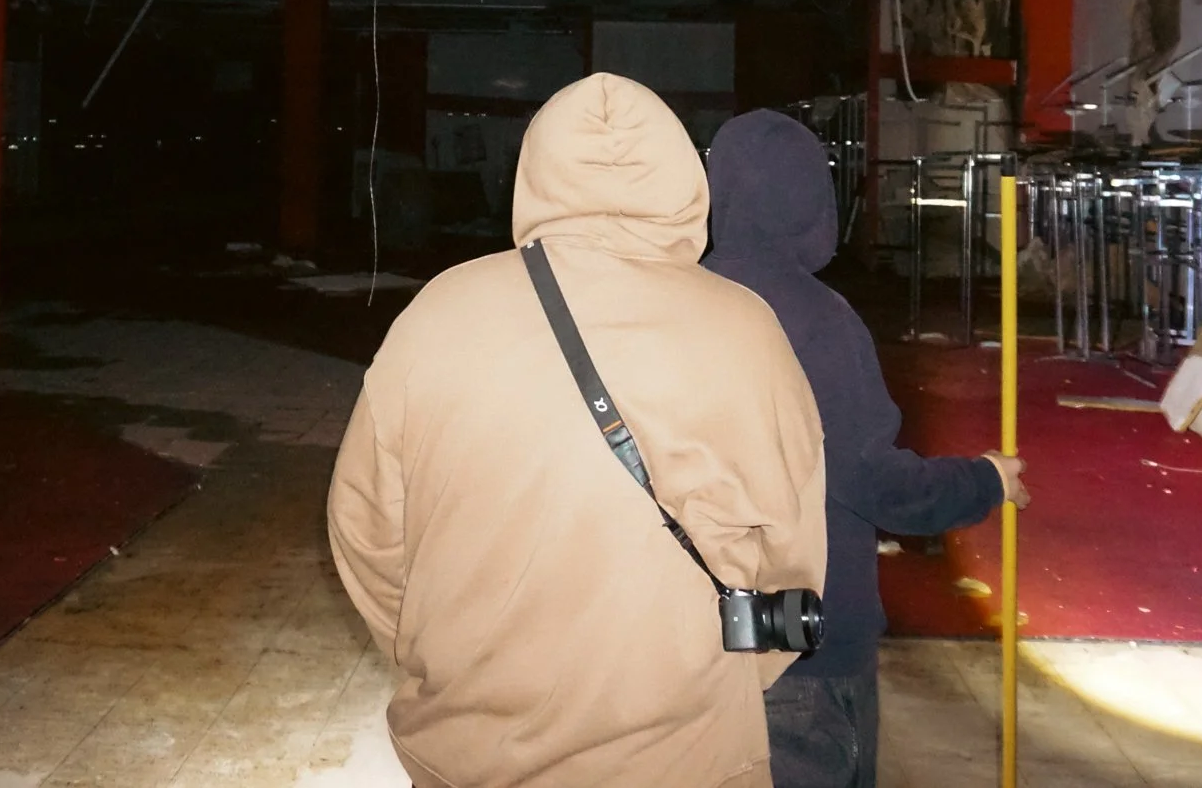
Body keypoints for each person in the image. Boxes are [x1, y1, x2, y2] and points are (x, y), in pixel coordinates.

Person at [328, 74, 829, 788]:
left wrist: (442, 656)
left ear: (534, 173)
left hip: (468, 756)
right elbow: (792, 559)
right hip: (683, 759)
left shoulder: (438, 314)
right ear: (684, 177)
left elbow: (365, 533)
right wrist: (720, 682)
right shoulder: (747, 330)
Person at [702, 110, 1028, 788]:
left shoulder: (678, 300)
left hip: (695, 637)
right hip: (803, 647)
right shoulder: (819, 321)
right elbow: (875, 482)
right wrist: (984, 480)